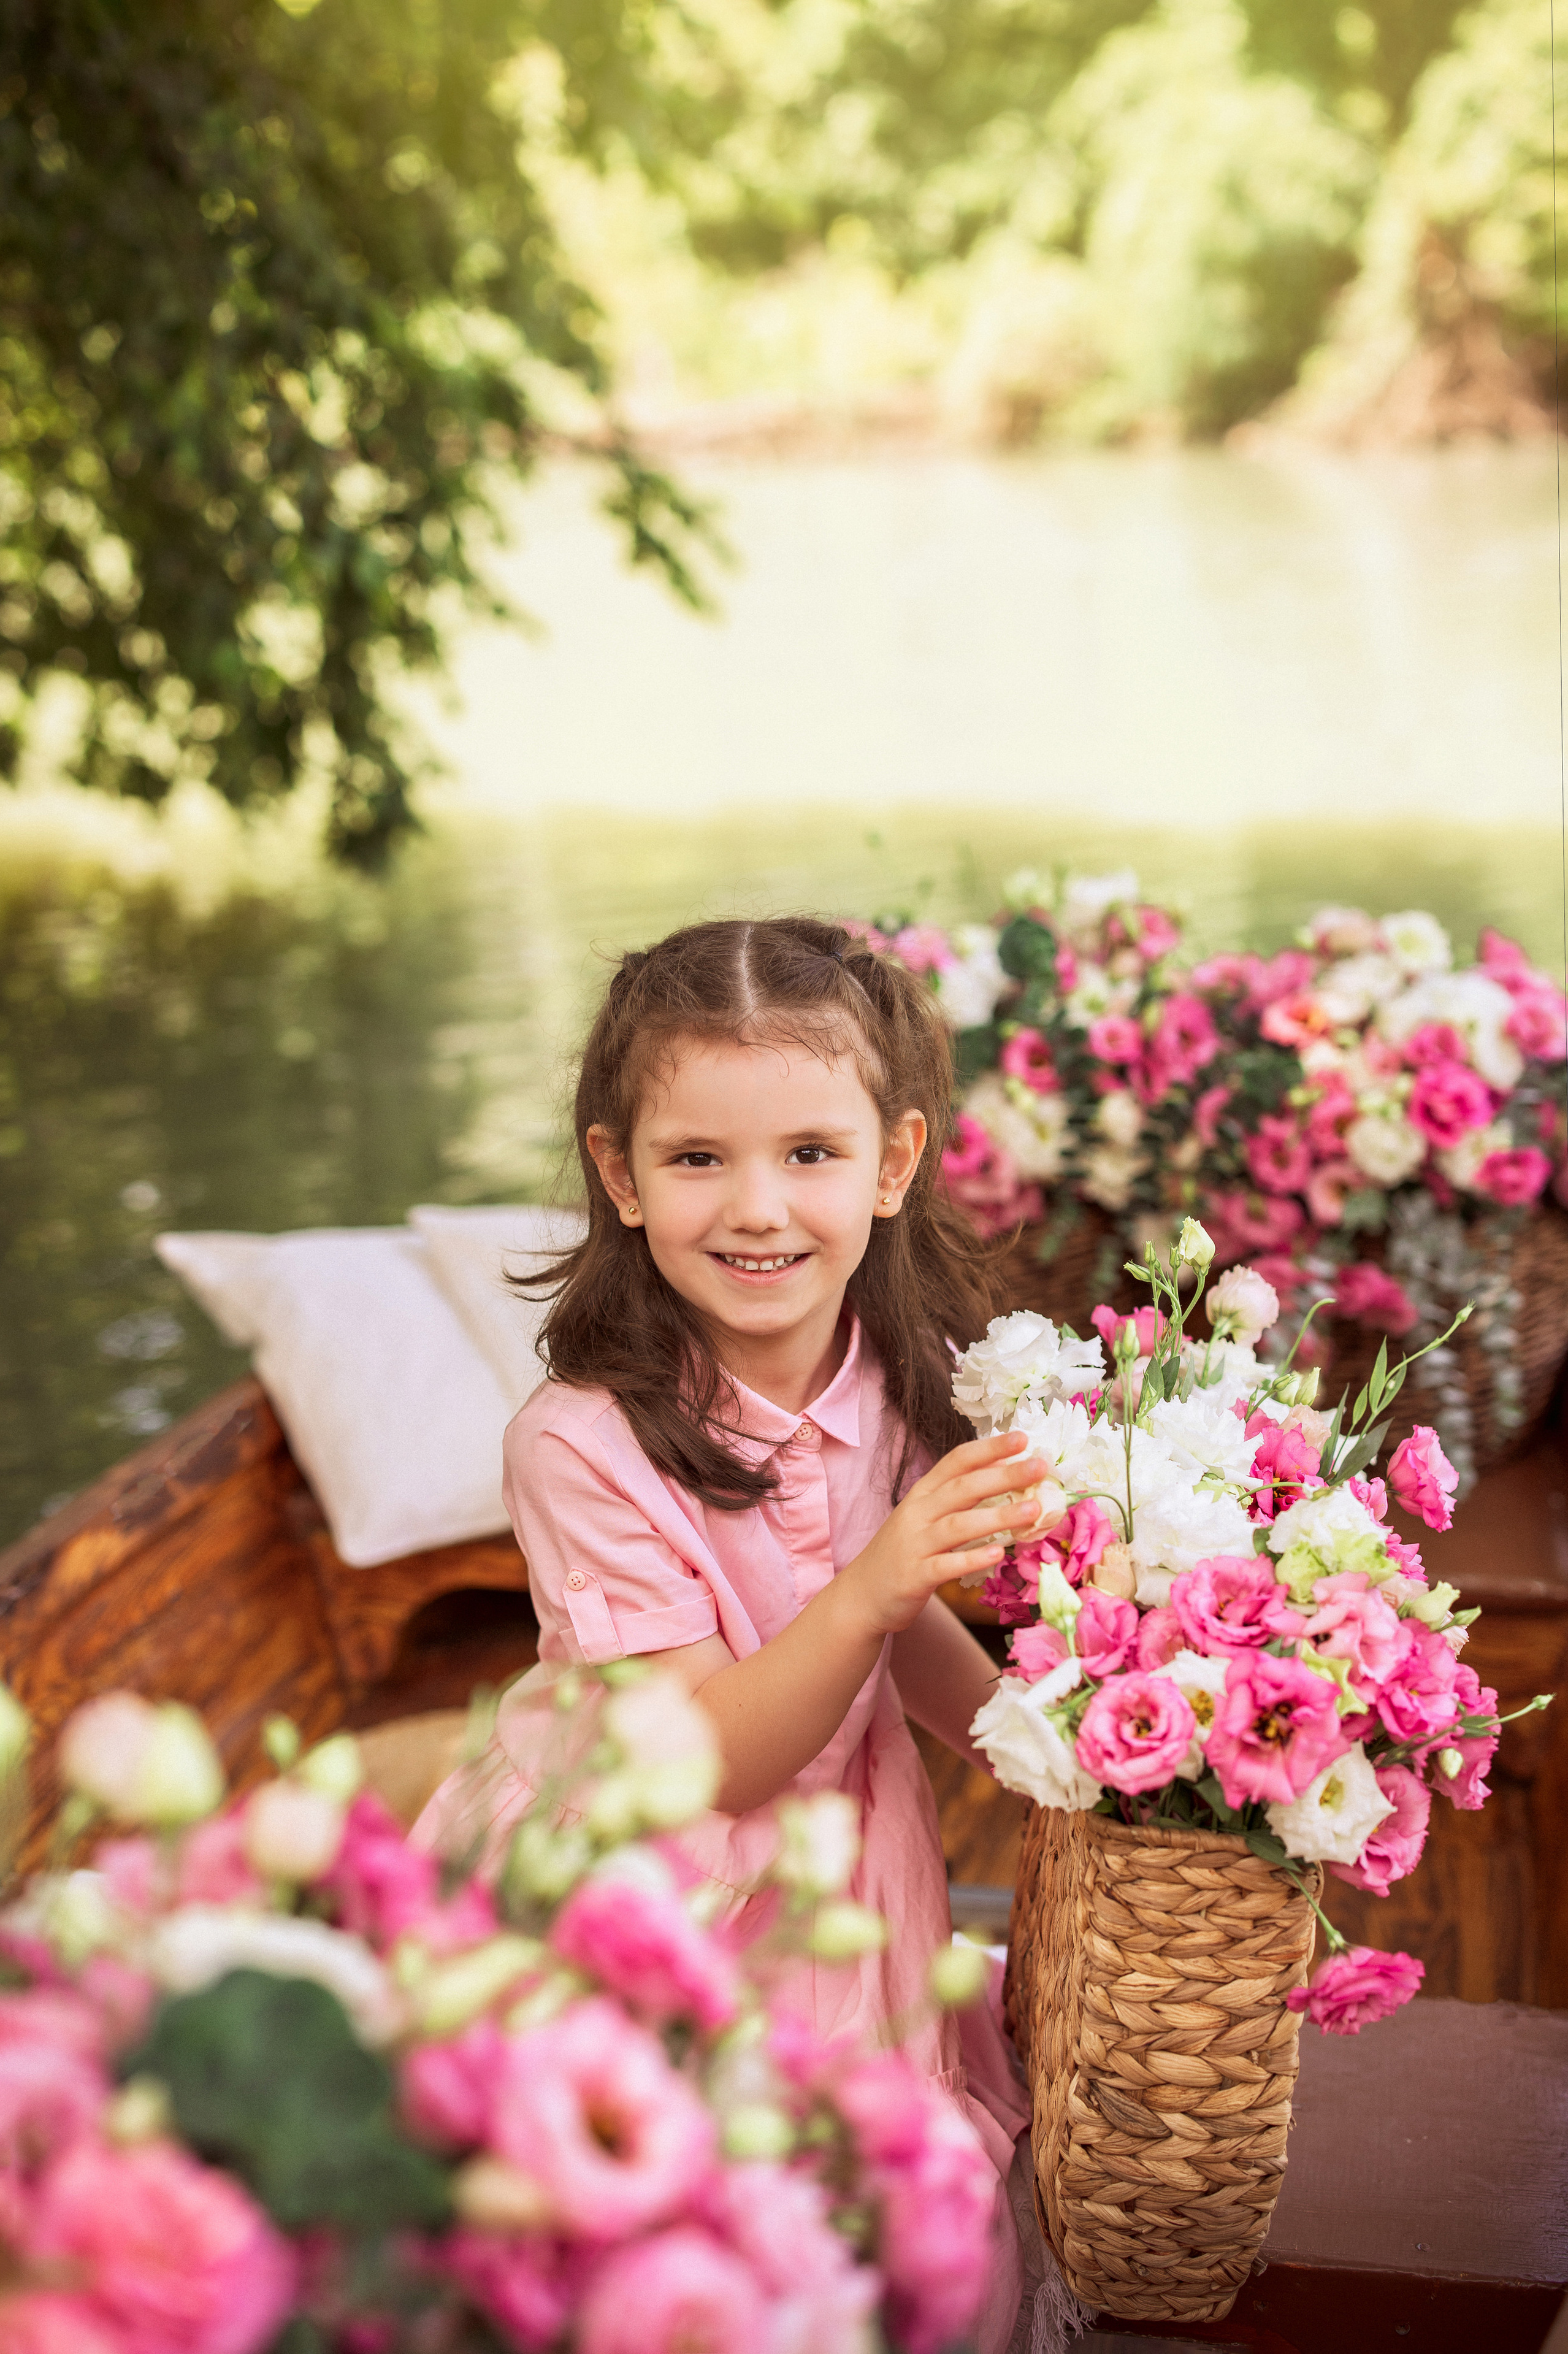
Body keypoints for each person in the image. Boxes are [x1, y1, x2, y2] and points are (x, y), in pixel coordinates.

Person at [416, 915, 1050, 2348]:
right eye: (697, 1157)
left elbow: (901, 1634)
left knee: (888, 2198)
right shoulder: (578, 1445)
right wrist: (884, 1580)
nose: (756, 1208)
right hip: (666, 1878)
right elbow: (714, 1762)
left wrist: (1035, 1750)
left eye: (808, 1155)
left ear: (891, 1164)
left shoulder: (887, 1375)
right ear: (618, 1174)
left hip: (847, 1859)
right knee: (698, 2227)